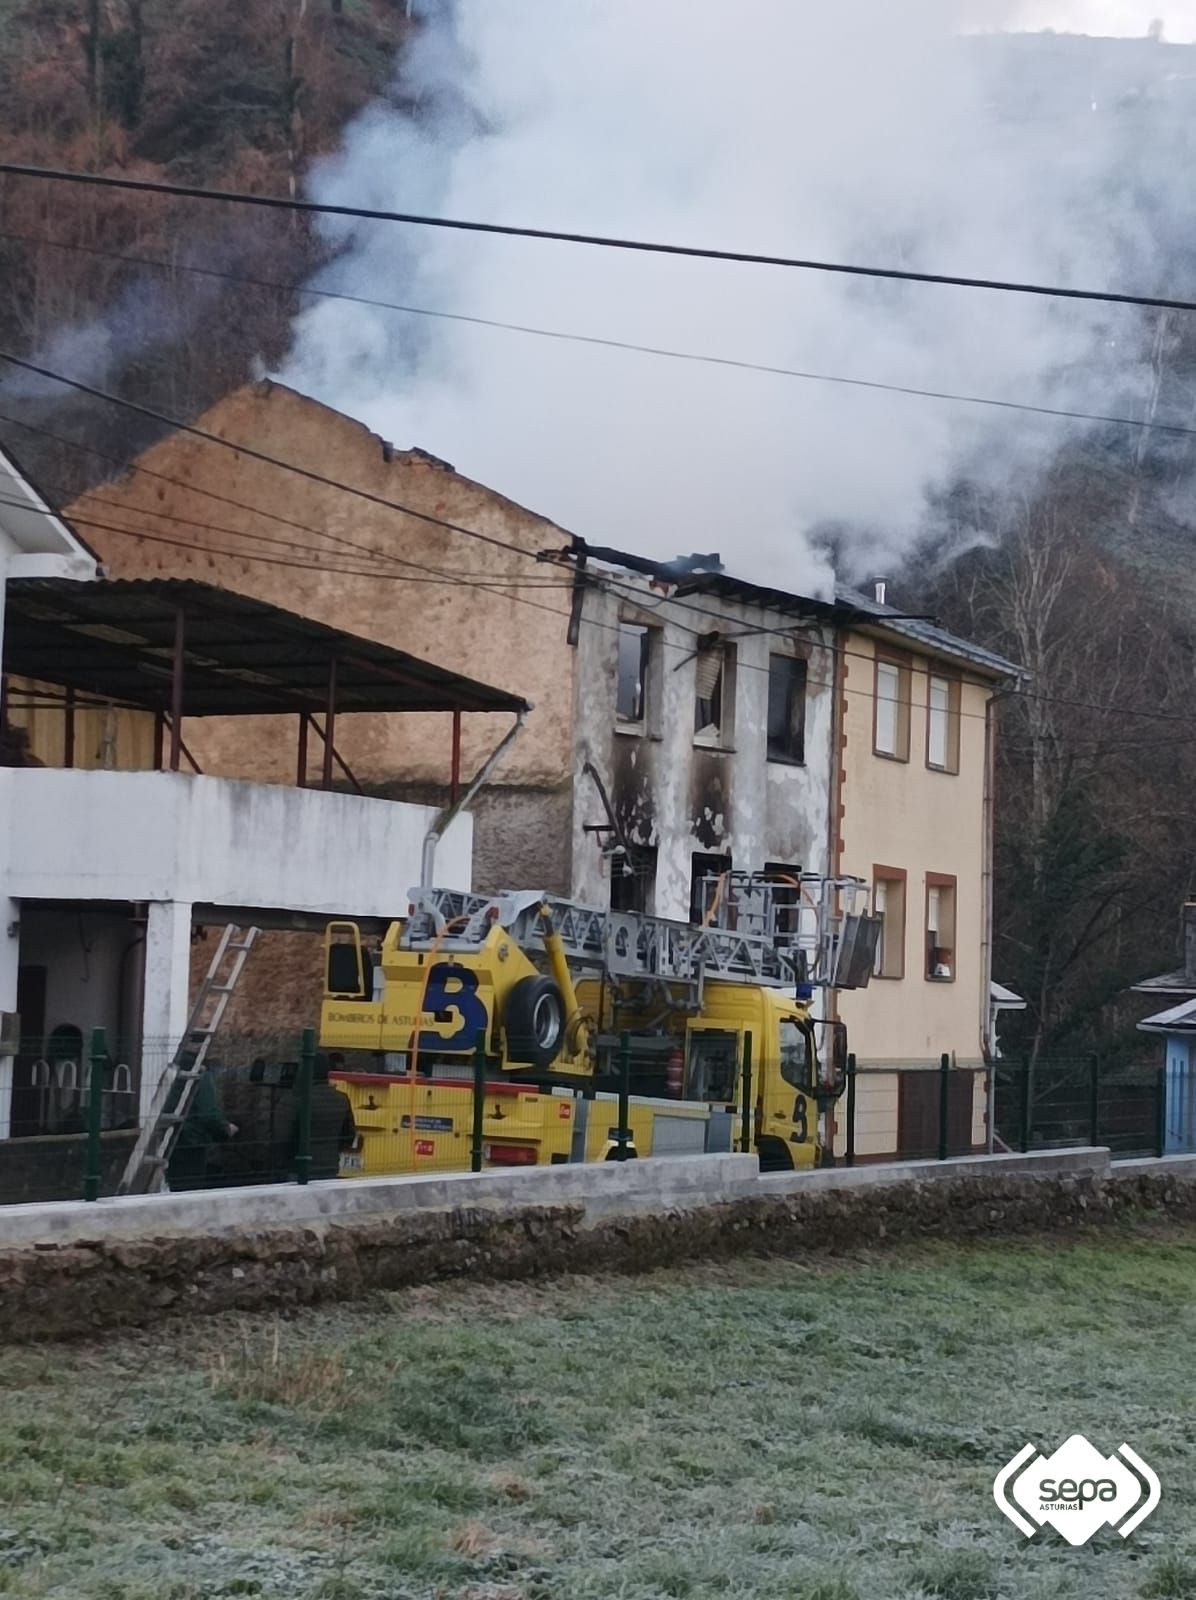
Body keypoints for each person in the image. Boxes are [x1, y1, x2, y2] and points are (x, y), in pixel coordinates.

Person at [166, 1067, 237, 1191]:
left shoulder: (169, 1069)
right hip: (192, 1141)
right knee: (189, 1190)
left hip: (169, 1139)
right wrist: (225, 1129)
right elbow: (208, 1116)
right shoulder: (202, 1076)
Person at [291, 1052, 356, 1180]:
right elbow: (348, 1135)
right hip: (329, 1167)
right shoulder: (341, 1099)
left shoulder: (297, 1099)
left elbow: (282, 1136)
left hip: (298, 1168)